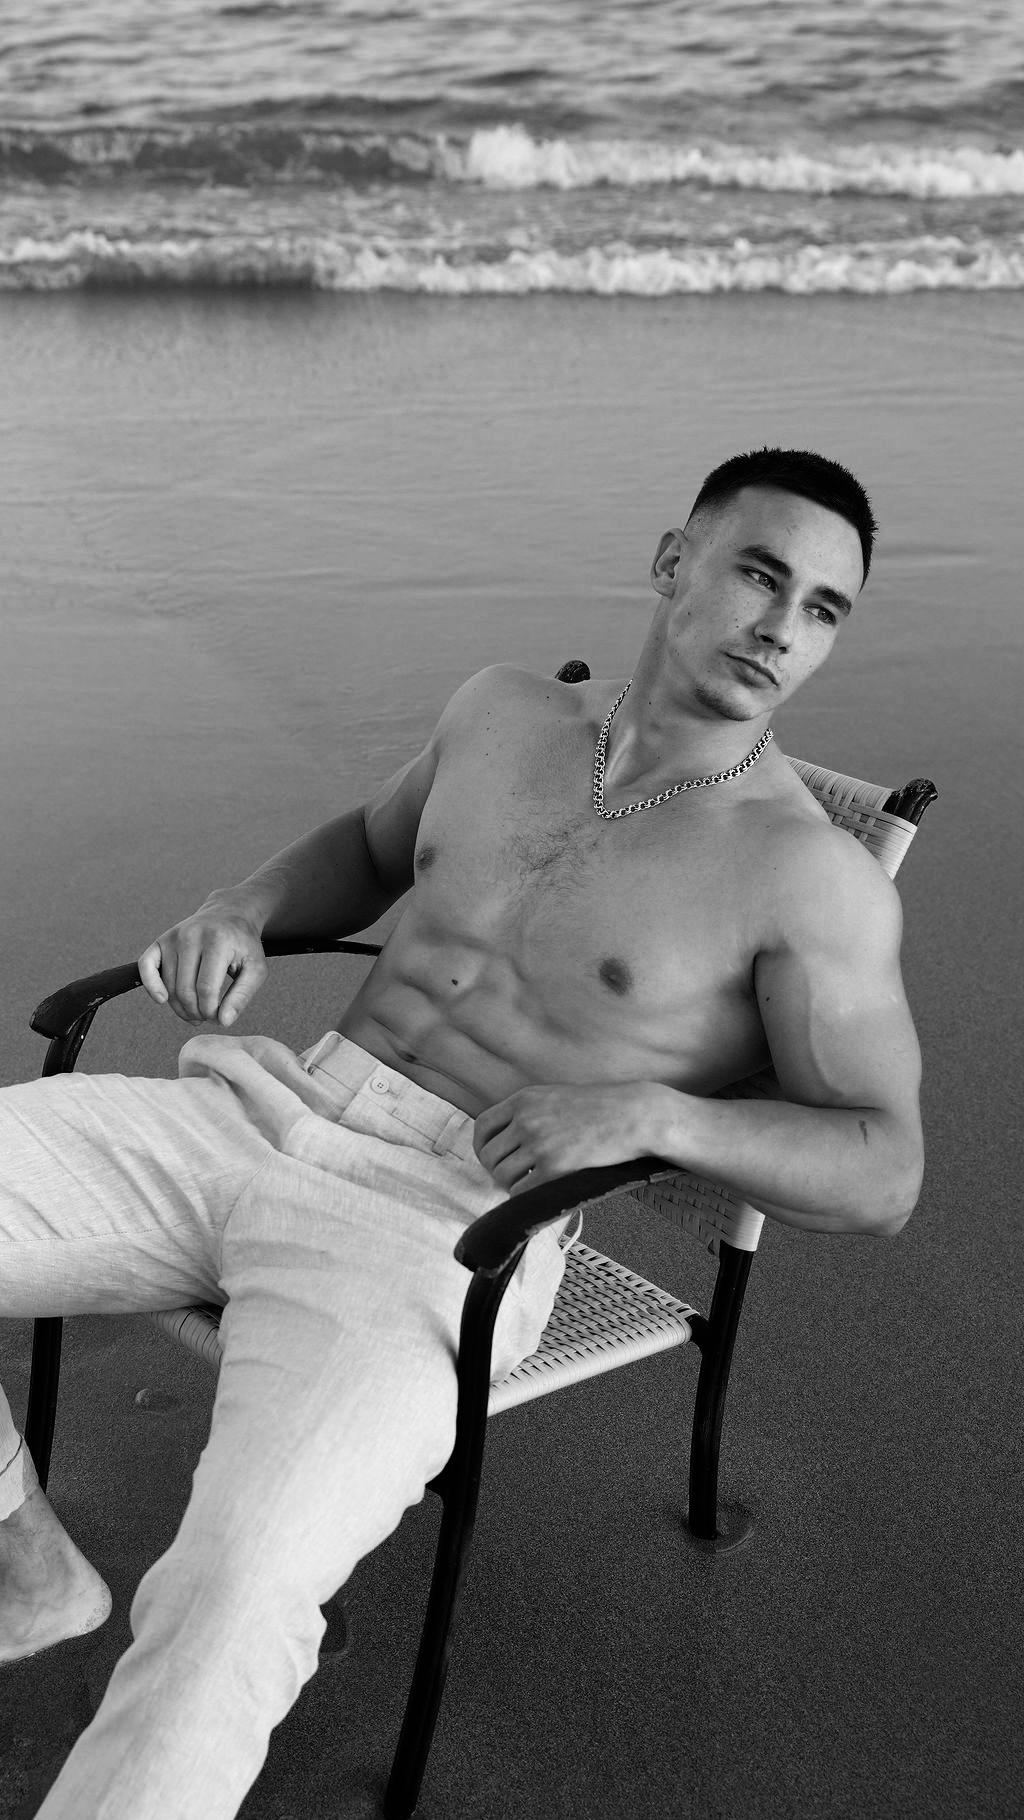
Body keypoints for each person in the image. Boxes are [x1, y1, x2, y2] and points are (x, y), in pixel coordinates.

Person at [0, 447, 924, 1817]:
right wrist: (241, 906)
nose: (783, 628)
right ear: (673, 561)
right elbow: (373, 849)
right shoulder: (502, 712)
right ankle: (28, 1566)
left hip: (448, 1232)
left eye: (824, 609)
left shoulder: (812, 880)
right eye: (760, 575)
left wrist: (657, 1113)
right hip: (264, 1106)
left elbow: (884, 1168)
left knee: (238, 1588)